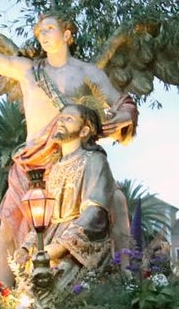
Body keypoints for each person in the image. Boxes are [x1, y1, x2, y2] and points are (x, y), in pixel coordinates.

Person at [0, 0, 137, 284]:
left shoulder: (88, 72)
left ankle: (125, 279)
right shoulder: (27, 69)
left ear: (67, 35)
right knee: (9, 224)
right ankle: (4, 298)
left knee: (114, 203)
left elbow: (122, 102)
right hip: (33, 161)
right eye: (39, 30)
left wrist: (122, 118)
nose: (42, 35)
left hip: (72, 159)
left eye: (50, 28)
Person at [13, 104, 120, 283]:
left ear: (85, 130)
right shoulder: (54, 168)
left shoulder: (95, 161)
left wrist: (63, 245)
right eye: (61, 118)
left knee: (61, 286)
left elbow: (95, 211)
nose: (61, 122)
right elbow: (43, 215)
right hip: (49, 239)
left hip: (77, 245)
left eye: (69, 119)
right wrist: (26, 246)